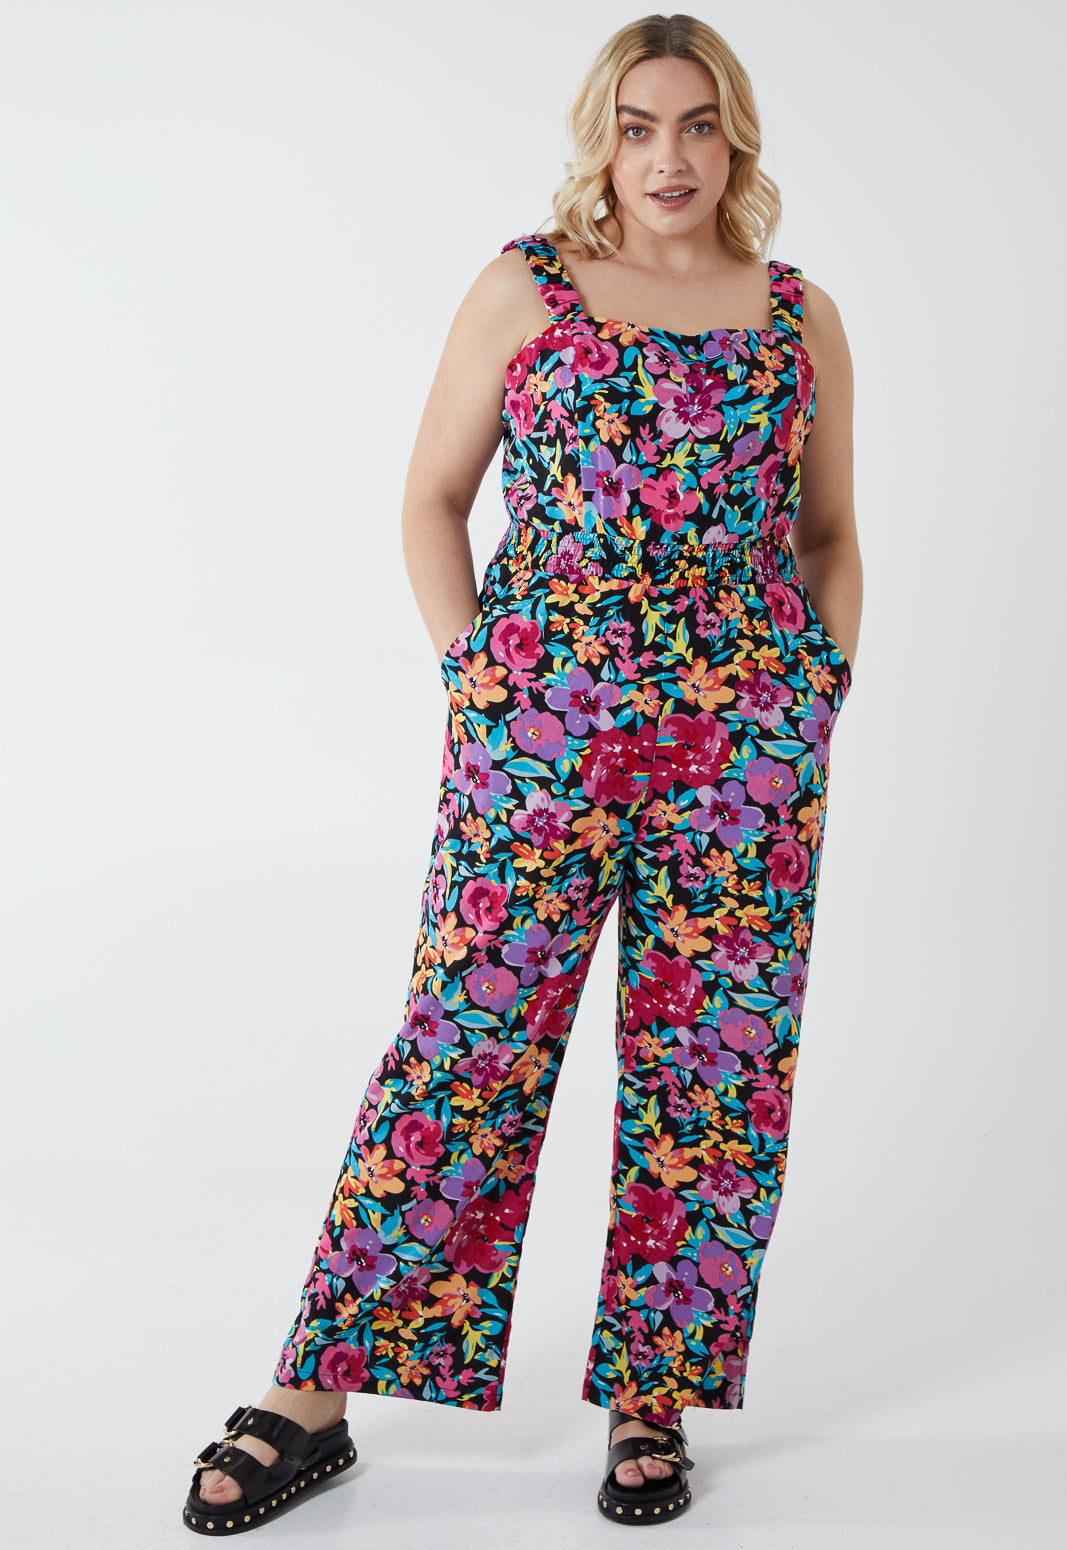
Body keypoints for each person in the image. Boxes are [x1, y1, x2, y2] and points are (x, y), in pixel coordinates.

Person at [182, 10, 861, 1535]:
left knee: (714, 1071)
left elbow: (830, 534)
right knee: (465, 1041)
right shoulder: (527, 288)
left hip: (745, 751)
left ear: (736, 139)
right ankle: (317, 1391)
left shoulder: (798, 313)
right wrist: (477, 680)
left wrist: (815, 692)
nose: (669, 157)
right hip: (540, 732)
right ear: (601, 140)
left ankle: (653, 1391)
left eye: (697, 124)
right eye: (639, 125)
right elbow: (432, 499)